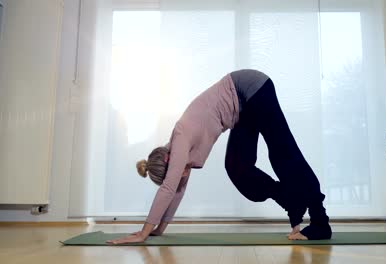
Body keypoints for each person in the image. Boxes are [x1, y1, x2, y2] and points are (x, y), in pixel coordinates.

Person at [107, 69, 332, 245]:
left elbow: (169, 188)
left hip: (251, 87)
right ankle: (292, 201)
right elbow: (176, 191)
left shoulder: (181, 138)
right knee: (237, 166)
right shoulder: (179, 151)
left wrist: (143, 232)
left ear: (168, 161)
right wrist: (160, 229)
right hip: (242, 107)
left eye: (175, 174)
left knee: (283, 153)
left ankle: (320, 221)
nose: (182, 175)